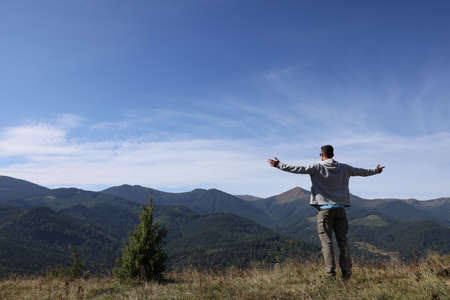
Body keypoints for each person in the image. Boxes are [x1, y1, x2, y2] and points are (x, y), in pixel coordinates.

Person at [267, 145, 384, 280]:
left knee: (327, 243)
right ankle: (346, 273)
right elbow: (362, 172)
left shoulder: (317, 167)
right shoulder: (345, 168)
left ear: (322, 155)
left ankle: (331, 275)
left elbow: (298, 169)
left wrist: (279, 165)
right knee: (343, 242)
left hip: (324, 210)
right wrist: (376, 170)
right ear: (332, 154)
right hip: (340, 210)